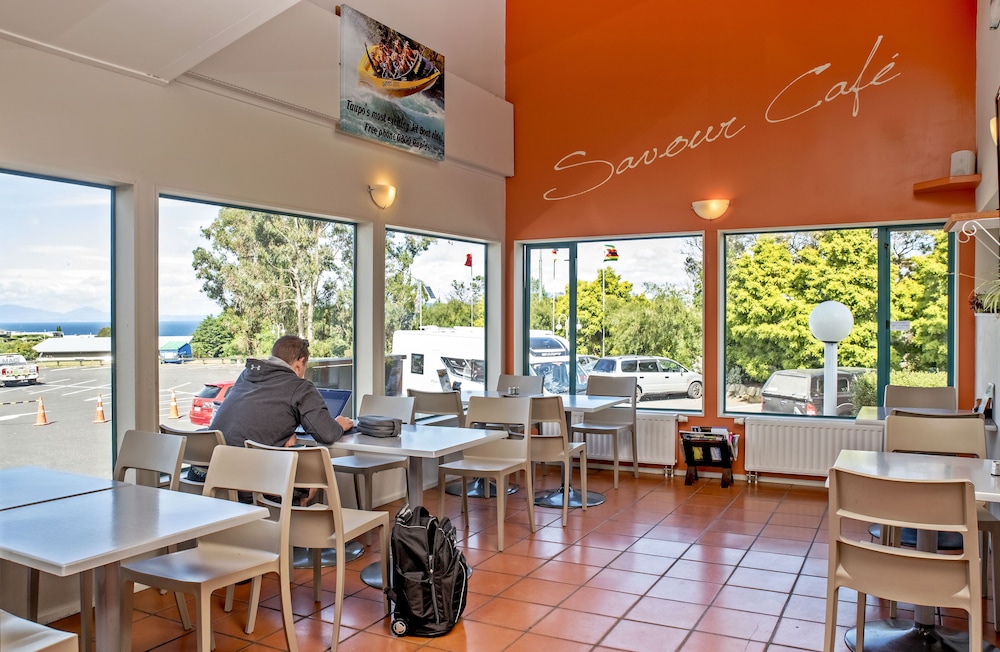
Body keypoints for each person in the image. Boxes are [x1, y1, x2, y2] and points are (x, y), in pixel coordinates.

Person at [211, 335, 354, 449]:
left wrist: (282, 434)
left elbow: (252, 417)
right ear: (300, 363)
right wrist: (339, 425)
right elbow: (327, 434)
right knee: (315, 476)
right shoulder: (299, 387)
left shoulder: (247, 376)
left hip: (204, 471)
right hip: (242, 476)